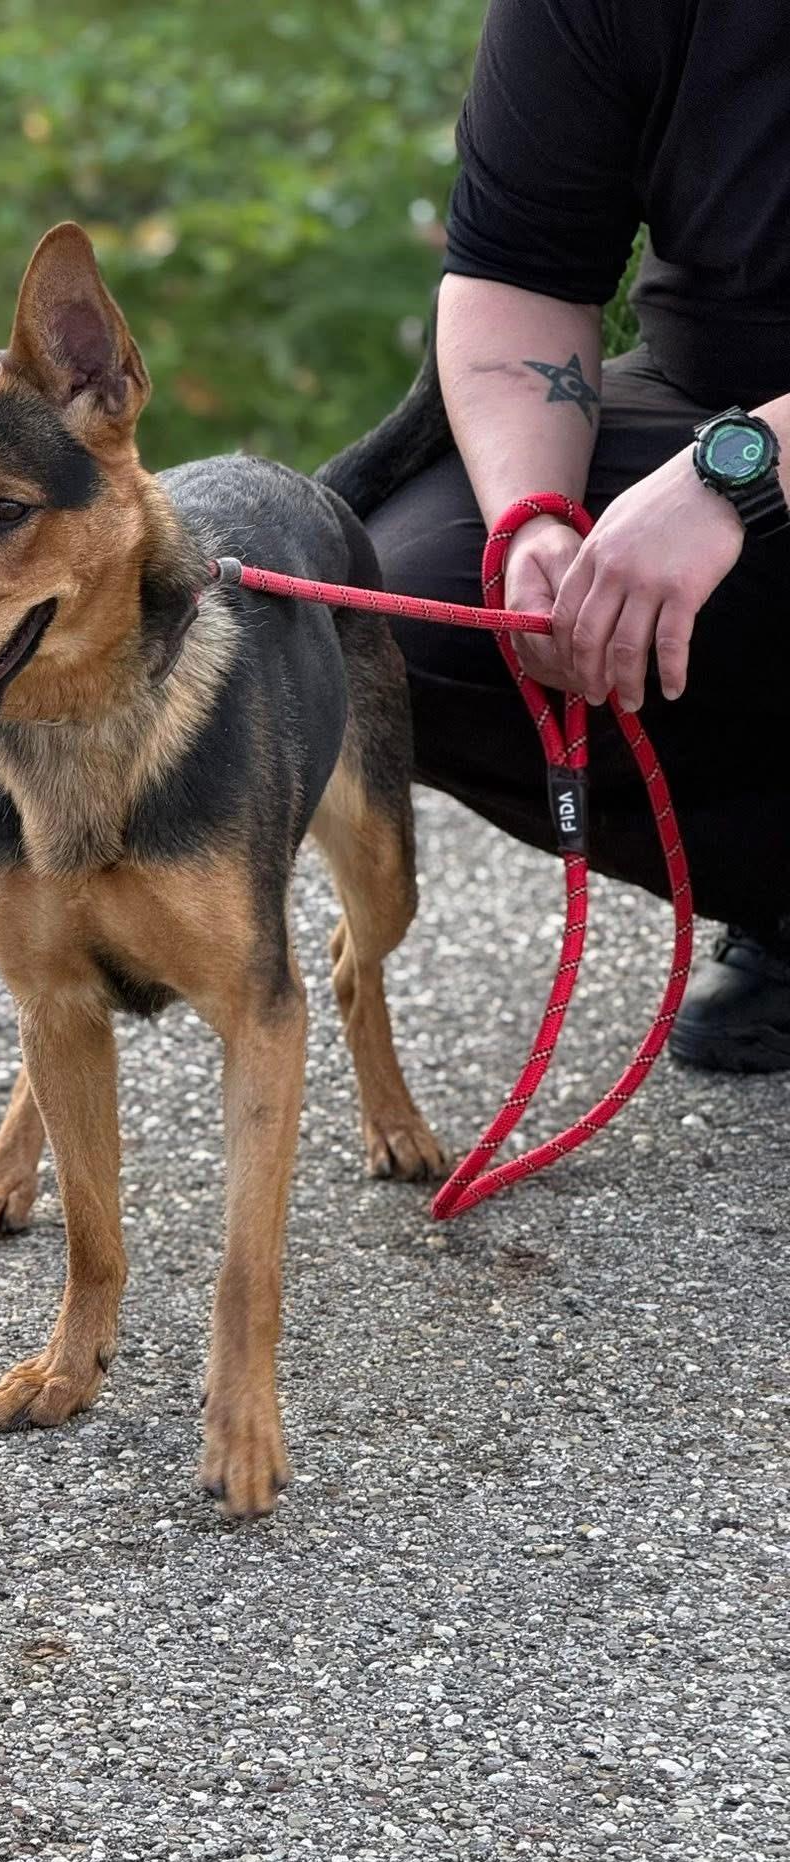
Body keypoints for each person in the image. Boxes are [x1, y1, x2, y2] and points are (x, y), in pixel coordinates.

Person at [360, 0, 790, 1074]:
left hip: (742, 454)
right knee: (397, 619)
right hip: (709, 394)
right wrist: (533, 517)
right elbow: (520, 271)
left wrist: (734, 474)